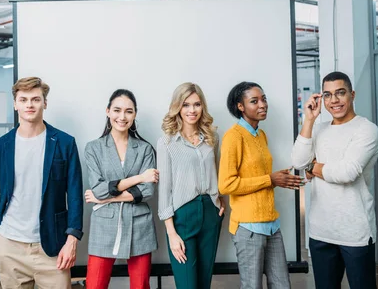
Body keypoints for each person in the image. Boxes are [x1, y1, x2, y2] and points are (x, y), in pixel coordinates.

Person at [0, 77, 83, 289]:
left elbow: (74, 195)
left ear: (45, 103)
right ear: (15, 104)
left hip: (53, 248)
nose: (29, 105)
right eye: (23, 99)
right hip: (9, 245)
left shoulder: (65, 143)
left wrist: (72, 239)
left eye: (35, 99)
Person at [291, 71, 378, 289]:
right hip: (321, 232)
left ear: (352, 94)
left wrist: (313, 166)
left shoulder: (366, 130)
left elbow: (346, 173)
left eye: (340, 93)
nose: (334, 101)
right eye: (328, 95)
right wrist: (309, 120)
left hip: (355, 233)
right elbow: (297, 161)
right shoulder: (318, 129)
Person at [219, 81, 302, 289]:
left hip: (271, 225)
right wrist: (270, 179)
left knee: (282, 285)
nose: (262, 104)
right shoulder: (234, 136)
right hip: (248, 228)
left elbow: (258, 178)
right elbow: (226, 185)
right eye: (254, 101)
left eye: (264, 99)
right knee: (252, 286)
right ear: (240, 106)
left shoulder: (260, 134)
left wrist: (277, 180)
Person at [83, 89, 158, 289]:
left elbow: (147, 192)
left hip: (139, 224)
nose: (122, 117)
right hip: (104, 225)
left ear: (135, 114)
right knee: (95, 285)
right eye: (117, 110)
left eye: (128, 111)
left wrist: (106, 198)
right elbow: (98, 189)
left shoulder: (145, 149)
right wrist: (139, 177)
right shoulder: (94, 148)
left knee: (140, 286)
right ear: (108, 111)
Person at [157, 82, 225, 289]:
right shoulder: (167, 142)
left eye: (197, 104)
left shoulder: (212, 138)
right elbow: (165, 190)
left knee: (204, 283)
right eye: (186, 105)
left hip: (211, 213)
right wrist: (171, 234)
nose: (192, 110)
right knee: (187, 284)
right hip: (183, 215)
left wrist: (220, 199)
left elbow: (219, 171)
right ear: (177, 107)